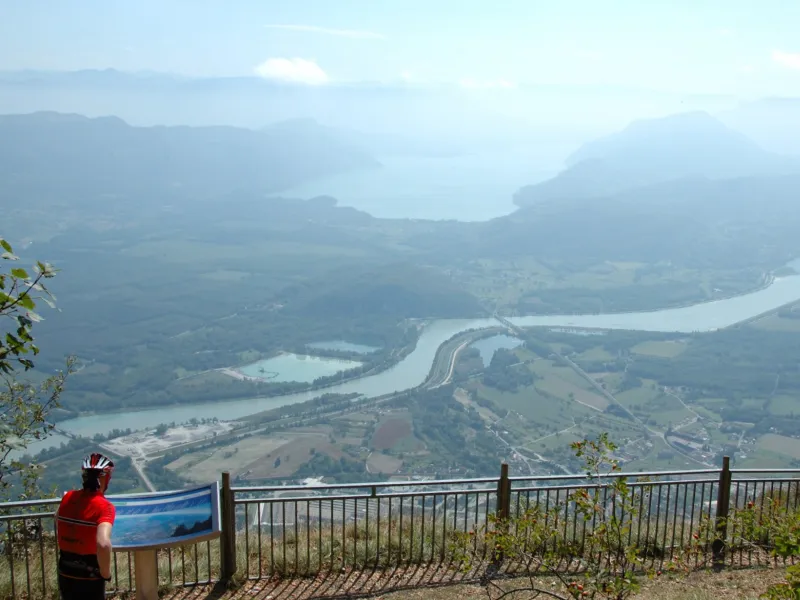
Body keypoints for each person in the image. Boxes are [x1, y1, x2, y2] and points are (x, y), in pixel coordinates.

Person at [55, 453, 116, 600]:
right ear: (104, 478)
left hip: (65, 569)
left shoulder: (67, 497)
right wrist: (106, 573)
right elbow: (103, 543)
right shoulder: (105, 507)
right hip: (90, 574)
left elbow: (58, 519)